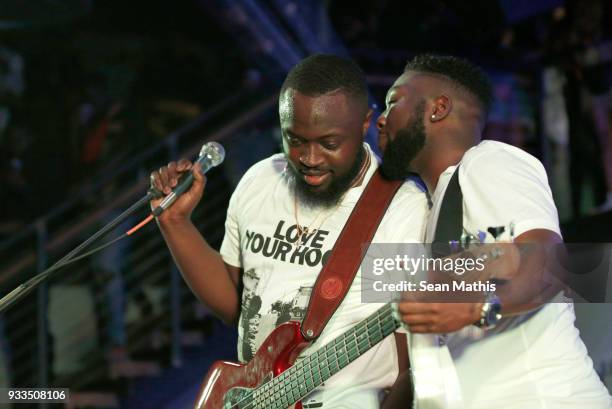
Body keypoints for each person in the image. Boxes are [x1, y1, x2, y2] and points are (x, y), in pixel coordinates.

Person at [150, 54, 428, 408]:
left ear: (365, 124)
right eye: (295, 140)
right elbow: (236, 306)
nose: (310, 158)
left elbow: (414, 362)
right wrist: (175, 223)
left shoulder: (401, 210)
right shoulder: (260, 180)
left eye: (329, 143)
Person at [376, 54, 612, 408]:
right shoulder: (429, 211)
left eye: (393, 102)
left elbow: (549, 261)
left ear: (438, 108)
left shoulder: (489, 161)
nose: (381, 118)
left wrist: (479, 305)